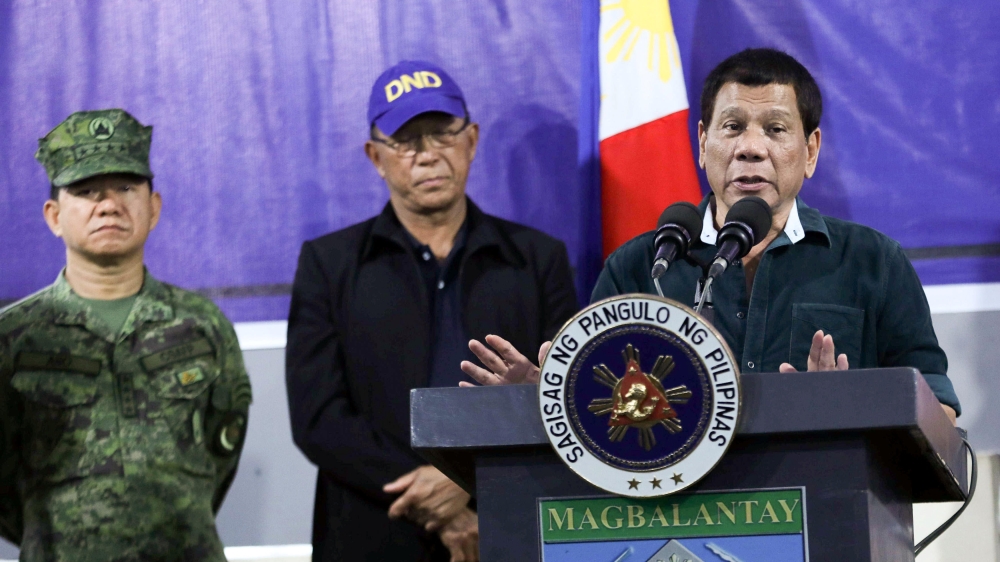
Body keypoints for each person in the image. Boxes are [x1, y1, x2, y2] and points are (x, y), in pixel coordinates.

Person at [460, 48, 961, 424]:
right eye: (732, 126)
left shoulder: (873, 262)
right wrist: (545, 397)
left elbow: (939, 411)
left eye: (775, 129)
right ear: (702, 143)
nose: (750, 148)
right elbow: (602, 414)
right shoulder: (640, 267)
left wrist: (845, 410)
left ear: (810, 151)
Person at [285, 60, 578, 562]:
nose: (427, 156)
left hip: (507, 524)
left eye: (443, 134)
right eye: (406, 141)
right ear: (375, 157)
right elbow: (319, 418)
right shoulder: (329, 264)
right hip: (373, 530)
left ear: (472, 140)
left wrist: (468, 484)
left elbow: (562, 397)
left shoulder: (537, 259)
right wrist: (440, 496)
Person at [0, 109, 252, 560]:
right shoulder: (15, 339)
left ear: (153, 208)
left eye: (127, 188)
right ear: (54, 216)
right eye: (86, 191)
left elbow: (221, 452)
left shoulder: (202, 325)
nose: (109, 204)